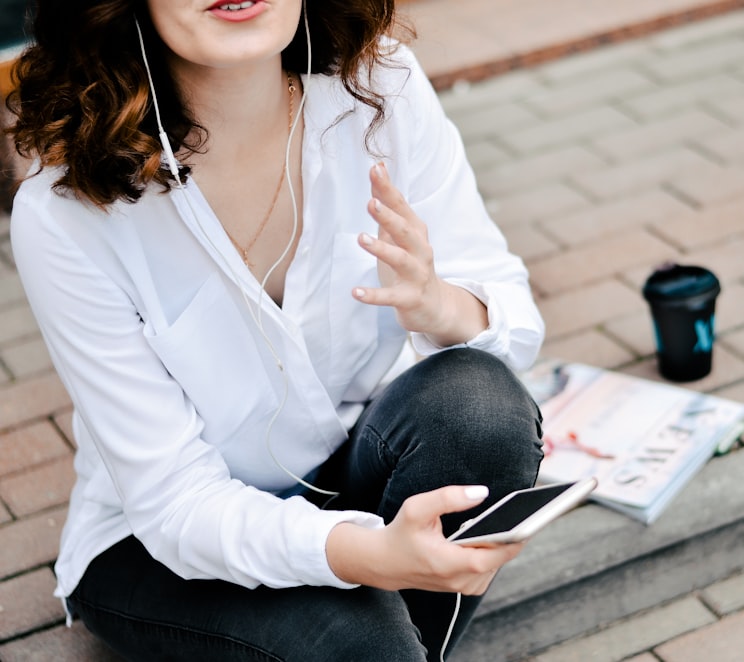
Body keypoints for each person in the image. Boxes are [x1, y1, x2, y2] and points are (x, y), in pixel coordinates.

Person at [8, 1, 545, 660]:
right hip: (161, 543)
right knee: (354, 640)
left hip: (336, 475)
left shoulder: (378, 92)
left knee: (478, 406)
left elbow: (513, 321)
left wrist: (437, 303)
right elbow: (177, 505)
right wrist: (368, 555)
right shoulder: (64, 212)